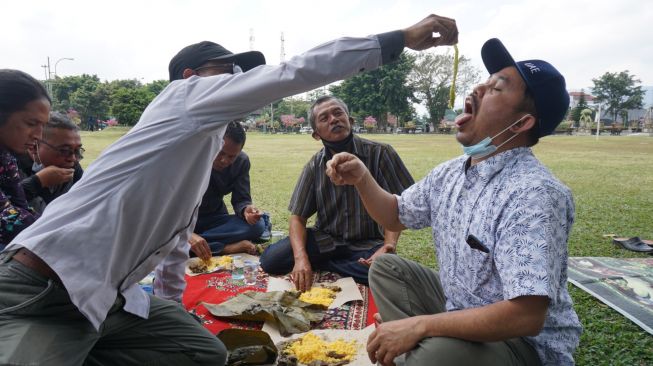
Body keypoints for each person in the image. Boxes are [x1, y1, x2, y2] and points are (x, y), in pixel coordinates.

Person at [0, 14, 459, 365]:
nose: (239, 79)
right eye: (228, 70)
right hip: (45, 287)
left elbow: (174, 242)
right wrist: (398, 40)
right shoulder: (181, 100)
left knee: (204, 353)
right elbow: (292, 72)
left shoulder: (198, 152)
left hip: (107, 300)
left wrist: (170, 307)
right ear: (189, 78)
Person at [325, 38, 582, 366]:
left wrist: (420, 324)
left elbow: (526, 316)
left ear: (521, 123)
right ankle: (418, 348)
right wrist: (362, 178)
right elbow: (394, 216)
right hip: (460, 309)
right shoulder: (450, 173)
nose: (478, 88)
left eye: (497, 88)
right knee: (388, 269)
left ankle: (418, 350)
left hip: (522, 344)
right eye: (485, 81)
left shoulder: (534, 194)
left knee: (433, 356)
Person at [259, 96, 415, 291]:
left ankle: (328, 266)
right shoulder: (315, 165)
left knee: (389, 272)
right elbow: (298, 217)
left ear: (350, 121)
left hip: (367, 243)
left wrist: (388, 246)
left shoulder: (381, 154)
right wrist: (300, 258)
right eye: (324, 118)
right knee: (270, 260)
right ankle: (342, 267)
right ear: (316, 134)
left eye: (338, 113)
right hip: (326, 241)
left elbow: (401, 205)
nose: (333, 119)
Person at [188, 120, 266, 260]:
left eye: (232, 156)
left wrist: (246, 210)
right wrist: (187, 234)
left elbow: (241, 199)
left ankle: (187, 246)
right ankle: (224, 248)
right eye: (220, 153)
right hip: (184, 221)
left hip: (215, 219)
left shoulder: (241, 161)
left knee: (259, 225)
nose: (224, 160)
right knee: (160, 235)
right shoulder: (192, 159)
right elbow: (166, 207)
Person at [0, 70, 49, 251]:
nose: (39, 135)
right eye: (31, 123)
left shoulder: (5, 156)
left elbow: (19, 205)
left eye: (42, 125)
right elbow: (7, 222)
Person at [17, 111, 84, 214]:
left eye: (77, 151)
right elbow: (7, 206)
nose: (73, 158)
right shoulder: (12, 167)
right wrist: (38, 182)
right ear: (34, 147)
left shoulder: (73, 166)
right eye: (65, 150)